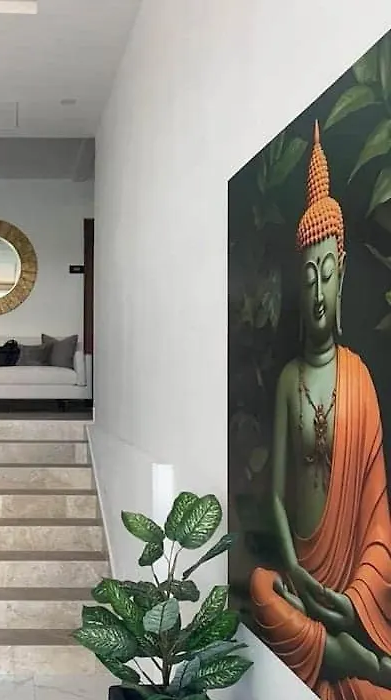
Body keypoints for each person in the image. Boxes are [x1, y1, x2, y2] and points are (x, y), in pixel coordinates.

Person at [249, 122, 391, 699]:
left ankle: (349, 647)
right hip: (300, 571)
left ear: (342, 277)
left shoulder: (359, 377)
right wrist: (295, 569)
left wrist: (355, 599)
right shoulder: (289, 380)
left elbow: (378, 518)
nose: (316, 291)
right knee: (262, 588)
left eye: (326, 275)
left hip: (349, 584)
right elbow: (276, 498)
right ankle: (358, 662)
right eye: (307, 276)